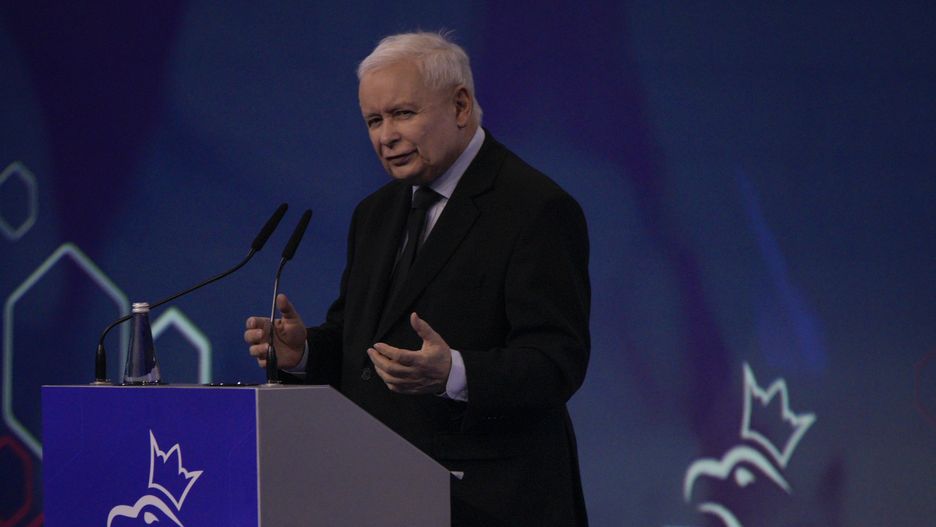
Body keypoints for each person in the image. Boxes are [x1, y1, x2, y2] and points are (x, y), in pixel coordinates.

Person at [244, 31, 590, 526]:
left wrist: (451, 372)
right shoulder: (376, 213)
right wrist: (303, 354)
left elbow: (557, 363)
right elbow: (360, 343)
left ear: (461, 106)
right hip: (381, 496)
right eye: (374, 120)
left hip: (494, 505)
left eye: (403, 114)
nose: (386, 136)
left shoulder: (535, 209)